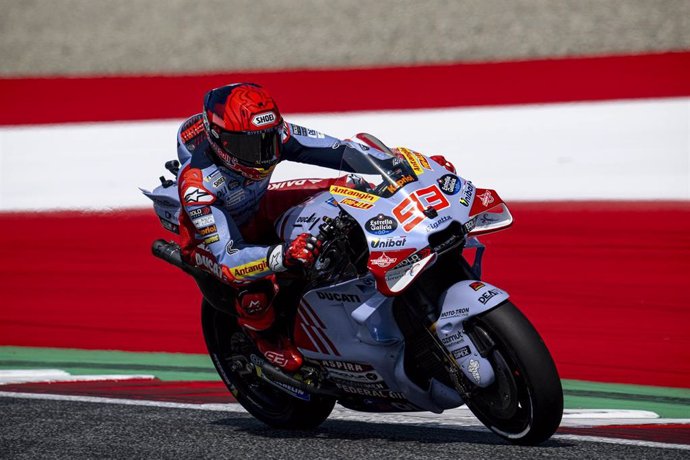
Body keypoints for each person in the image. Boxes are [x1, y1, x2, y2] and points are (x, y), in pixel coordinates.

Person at [176, 82, 454, 372]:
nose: (263, 153)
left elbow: (341, 150)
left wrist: (406, 168)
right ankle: (262, 335)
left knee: (347, 190)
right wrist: (281, 256)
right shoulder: (199, 187)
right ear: (220, 140)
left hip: (258, 206)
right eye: (250, 145)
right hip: (211, 244)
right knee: (253, 290)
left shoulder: (277, 134)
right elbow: (228, 257)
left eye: (267, 140)